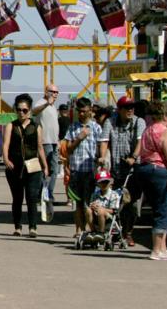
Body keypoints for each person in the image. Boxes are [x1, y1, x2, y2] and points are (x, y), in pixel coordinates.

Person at [134, 100, 167, 261]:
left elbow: (141, 151)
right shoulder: (165, 132)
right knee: (163, 209)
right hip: (159, 171)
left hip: (145, 170)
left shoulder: (148, 130)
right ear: (164, 115)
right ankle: (156, 249)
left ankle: (163, 248)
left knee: (157, 208)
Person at [99, 95, 145, 244]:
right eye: (127, 107)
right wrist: (102, 158)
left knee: (131, 204)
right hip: (115, 169)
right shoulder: (110, 122)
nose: (130, 110)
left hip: (132, 170)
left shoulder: (139, 122)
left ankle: (128, 232)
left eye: (132, 107)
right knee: (112, 201)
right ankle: (112, 230)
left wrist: (134, 156)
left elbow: (140, 141)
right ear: (119, 109)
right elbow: (104, 141)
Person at [1, 92, 47, 237]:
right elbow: (5, 144)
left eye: (25, 110)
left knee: (32, 197)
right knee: (17, 197)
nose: (21, 113)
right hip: (15, 167)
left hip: (33, 166)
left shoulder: (36, 126)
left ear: (30, 110)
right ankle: (17, 226)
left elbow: (40, 147)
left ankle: (33, 227)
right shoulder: (11, 125)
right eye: (19, 110)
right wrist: (6, 159)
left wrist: (45, 166)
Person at [62, 97, 105, 238]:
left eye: (84, 111)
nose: (81, 114)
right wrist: (79, 137)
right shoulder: (72, 127)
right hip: (76, 170)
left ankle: (91, 230)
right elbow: (68, 149)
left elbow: (101, 148)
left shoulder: (96, 127)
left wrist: (101, 160)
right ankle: (79, 230)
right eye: (79, 111)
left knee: (89, 203)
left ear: (90, 111)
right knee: (77, 203)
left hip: (90, 171)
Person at [32, 84, 61, 206]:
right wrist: (46, 104)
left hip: (54, 141)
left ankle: (48, 193)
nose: (54, 94)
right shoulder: (41, 103)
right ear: (46, 91)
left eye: (56, 92)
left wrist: (58, 140)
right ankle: (41, 195)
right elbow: (34, 112)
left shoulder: (54, 107)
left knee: (55, 170)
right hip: (45, 142)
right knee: (45, 169)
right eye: (52, 91)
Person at [87, 168, 121, 240]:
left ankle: (101, 233)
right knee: (88, 210)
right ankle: (93, 231)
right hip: (95, 216)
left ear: (110, 182)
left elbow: (114, 211)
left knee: (101, 211)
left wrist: (102, 209)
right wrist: (92, 206)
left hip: (108, 218)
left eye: (106, 182)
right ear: (98, 183)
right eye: (101, 182)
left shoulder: (114, 195)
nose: (104, 184)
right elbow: (91, 205)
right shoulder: (95, 194)